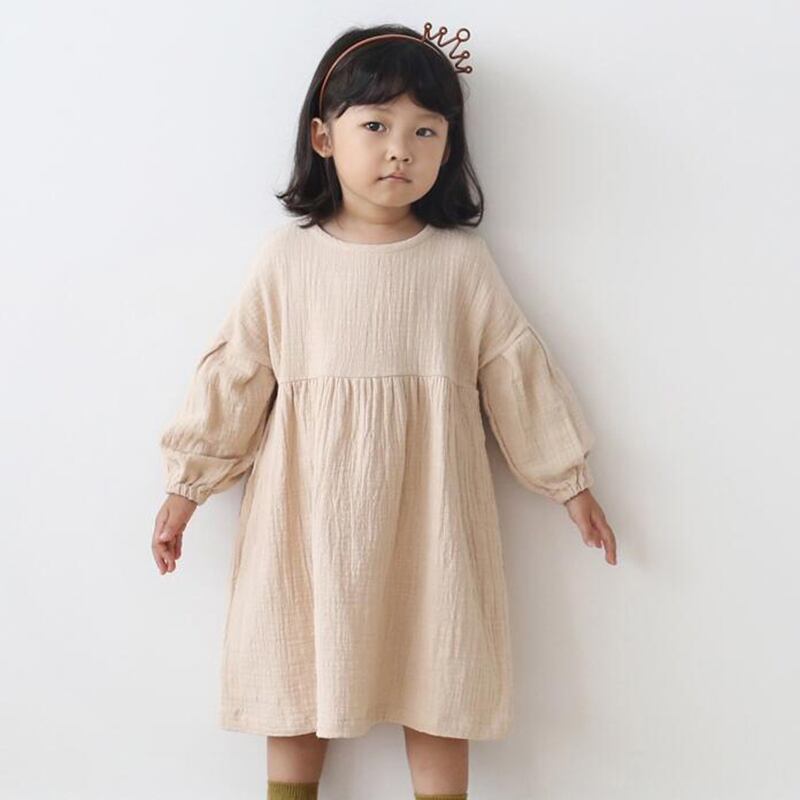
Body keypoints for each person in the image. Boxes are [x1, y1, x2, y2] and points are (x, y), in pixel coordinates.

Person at [152, 21, 618, 800]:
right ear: (323, 138)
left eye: (425, 131)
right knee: (296, 677)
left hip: (430, 518)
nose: (400, 149)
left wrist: (569, 482)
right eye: (376, 126)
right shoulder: (286, 260)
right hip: (306, 521)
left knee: (438, 675)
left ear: (449, 147)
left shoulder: (460, 264)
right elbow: (236, 374)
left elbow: (517, 373)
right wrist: (186, 487)